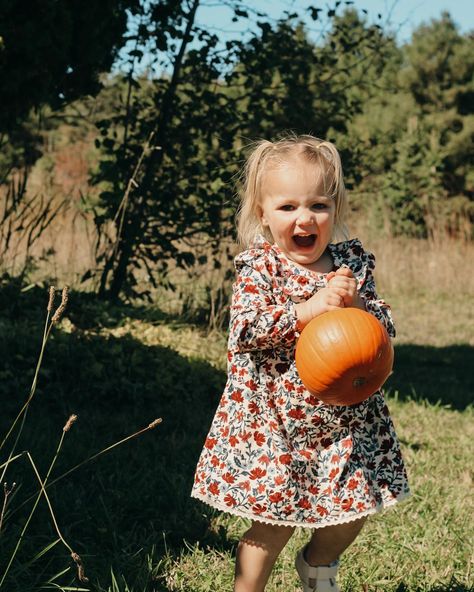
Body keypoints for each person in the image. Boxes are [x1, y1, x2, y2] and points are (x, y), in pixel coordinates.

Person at [191, 134, 410, 592]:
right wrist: (307, 310)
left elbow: (384, 328)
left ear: (335, 210)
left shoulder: (351, 265)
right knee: (274, 526)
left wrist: (361, 308)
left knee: (353, 511)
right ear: (263, 215)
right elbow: (245, 330)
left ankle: (317, 566)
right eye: (288, 207)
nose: (305, 218)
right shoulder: (260, 267)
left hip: (344, 422)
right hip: (275, 425)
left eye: (318, 205)